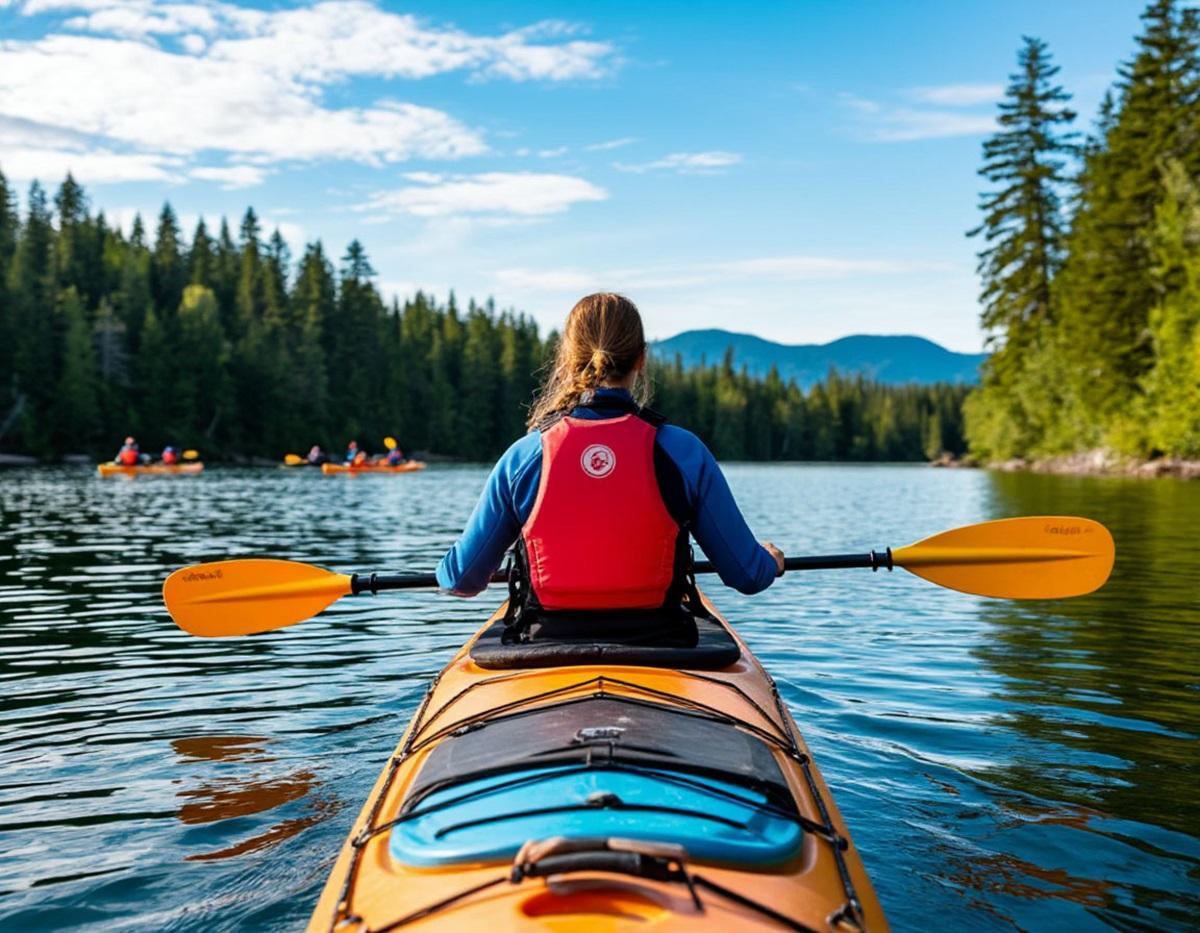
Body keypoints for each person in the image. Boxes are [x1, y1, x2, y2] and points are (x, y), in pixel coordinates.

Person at [437, 293, 783, 626]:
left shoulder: (524, 457)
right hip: (658, 642)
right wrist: (770, 561)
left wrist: (447, 562)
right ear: (641, 358)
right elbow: (747, 574)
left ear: (569, 359)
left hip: (548, 640)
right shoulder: (683, 452)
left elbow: (461, 579)